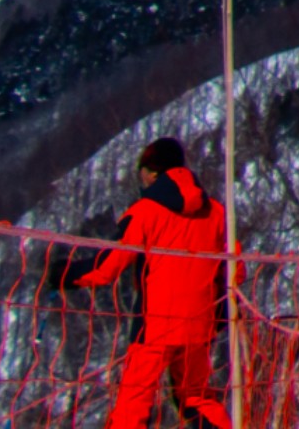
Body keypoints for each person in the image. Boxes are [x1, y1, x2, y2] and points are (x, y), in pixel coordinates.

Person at [61, 138, 230, 429]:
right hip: (200, 324)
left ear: (153, 172)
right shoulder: (216, 212)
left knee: (134, 403)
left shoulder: (145, 211)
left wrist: (63, 275)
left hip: (155, 326)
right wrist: (222, 311)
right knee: (197, 398)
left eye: (142, 170)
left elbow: (107, 266)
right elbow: (232, 268)